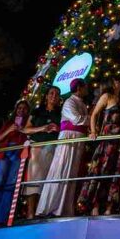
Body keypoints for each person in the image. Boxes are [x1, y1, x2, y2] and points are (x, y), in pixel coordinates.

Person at [37, 79, 90, 217]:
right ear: (79, 88)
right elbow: (77, 119)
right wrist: (92, 118)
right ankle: (51, 207)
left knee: (72, 172)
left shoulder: (82, 103)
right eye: (85, 87)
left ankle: (64, 208)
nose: (87, 89)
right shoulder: (69, 102)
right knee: (61, 169)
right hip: (69, 138)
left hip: (78, 139)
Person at [76, 78, 120, 216]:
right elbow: (94, 114)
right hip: (107, 140)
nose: (119, 82)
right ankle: (95, 206)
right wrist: (93, 131)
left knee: (115, 172)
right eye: (117, 81)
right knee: (101, 171)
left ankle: (109, 207)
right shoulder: (106, 96)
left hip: (119, 141)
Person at [0, 100, 30, 226]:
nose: (21, 110)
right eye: (19, 108)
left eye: (24, 109)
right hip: (5, 152)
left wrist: (24, 131)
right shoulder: (8, 123)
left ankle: (2, 219)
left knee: (10, 185)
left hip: (18, 153)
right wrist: (9, 129)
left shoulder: (29, 124)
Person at [22, 86, 61, 218]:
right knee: (33, 180)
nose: (54, 96)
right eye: (51, 93)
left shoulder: (61, 113)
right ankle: (30, 213)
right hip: (37, 147)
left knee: (48, 180)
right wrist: (42, 128)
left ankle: (42, 211)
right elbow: (26, 129)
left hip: (53, 148)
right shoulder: (37, 111)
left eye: (57, 94)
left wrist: (58, 129)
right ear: (46, 96)